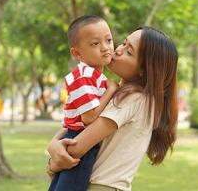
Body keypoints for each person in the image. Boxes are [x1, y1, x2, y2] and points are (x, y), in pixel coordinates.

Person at [47, 26, 179, 191]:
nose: (117, 50)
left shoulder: (132, 98)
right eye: (123, 43)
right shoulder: (127, 95)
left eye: (129, 51)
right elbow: (78, 126)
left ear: (143, 71)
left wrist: (53, 162)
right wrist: (53, 144)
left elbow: (76, 147)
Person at [48, 15, 118, 191]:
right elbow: (89, 117)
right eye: (95, 44)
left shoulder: (94, 76)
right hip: (79, 140)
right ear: (77, 53)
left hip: (78, 137)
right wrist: (111, 91)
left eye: (108, 40)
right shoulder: (84, 77)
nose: (105, 48)